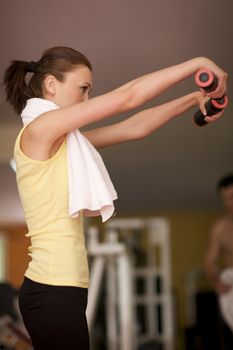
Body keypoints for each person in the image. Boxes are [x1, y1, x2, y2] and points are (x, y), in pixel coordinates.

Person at [3, 46, 227, 350]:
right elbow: (128, 97)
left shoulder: (65, 143)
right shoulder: (39, 130)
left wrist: (193, 99)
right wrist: (196, 64)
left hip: (61, 288)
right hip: (51, 288)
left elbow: (134, 127)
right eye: (82, 89)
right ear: (51, 85)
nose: (87, 100)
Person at [205, 174, 233, 347]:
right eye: (226, 198)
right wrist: (216, 282)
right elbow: (209, 263)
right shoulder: (220, 228)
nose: (230, 203)